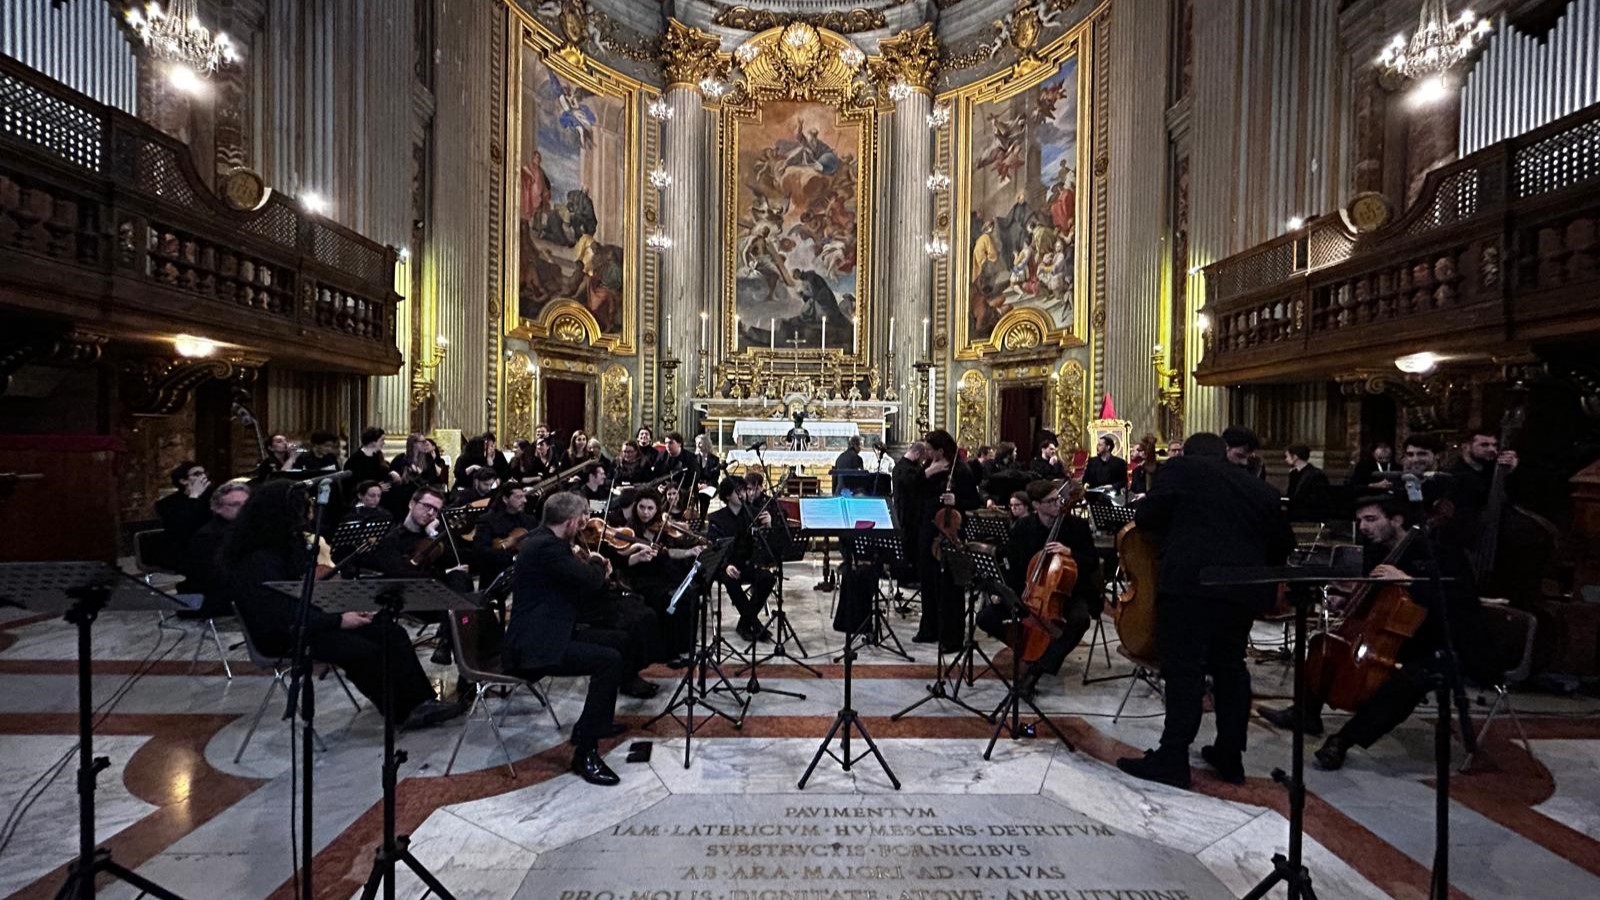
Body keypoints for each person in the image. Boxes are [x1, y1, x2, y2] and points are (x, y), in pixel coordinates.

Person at [1258, 493, 1493, 770]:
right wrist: (1346, 600)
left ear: (1396, 520)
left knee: (1409, 680)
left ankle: (1343, 740)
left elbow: (1462, 600)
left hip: (1444, 640)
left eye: (1371, 519)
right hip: (1399, 633)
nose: (1364, 527)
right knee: (1326, 643)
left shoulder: (1439, 552)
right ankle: (1306, 713)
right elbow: (1376, 596)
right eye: (1360, 521)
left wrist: (1409, 581)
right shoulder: (1380, 551)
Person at [1115, 432, 1295, 789]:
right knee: (1231, 668)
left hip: (1190, 586)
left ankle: (1173, 757)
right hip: (1240, 593)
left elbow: (1147, 518)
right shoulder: (1260, 489)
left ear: (1190, 453)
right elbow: (1283, 544)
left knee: (1184, 671)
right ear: (1225, 454)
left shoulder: (1180, 470)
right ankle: (1231, 756)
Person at [222, 480, 461, 729]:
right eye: (306, 507)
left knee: (392, 631)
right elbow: (278, 613)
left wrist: (345, 610)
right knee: (362, 650)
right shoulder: (256, 560)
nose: (310, 513)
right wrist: (339, 620)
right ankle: (400, 711)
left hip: (310, 620)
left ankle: (421, 702)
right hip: (284, 634)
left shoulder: (283, 546)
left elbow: (307, 593)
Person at [505, 491, 630, 785]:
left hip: (552, 628)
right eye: (582, 519)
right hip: (535, 646)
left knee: (619, 641)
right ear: (571, 521)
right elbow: (588, 582)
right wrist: (599, 564)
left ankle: (597, 721)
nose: (584, 525)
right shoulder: (548, 548)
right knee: (608, 662)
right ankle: (585, 751)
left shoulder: (543, 539)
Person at [976, 478, 1102, 694]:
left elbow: (1092, 562)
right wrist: (1004, 591)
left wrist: (1071, 553)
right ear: (1036, 505)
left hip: (1069, 591)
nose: (1057, 504)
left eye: (1058, 499)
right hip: (1030, 592)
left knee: (1079, 621)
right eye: (1051, 501)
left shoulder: (1076, 527)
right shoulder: (1023, 527)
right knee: (986, 618)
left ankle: (1038, 666)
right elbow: (1013, 565)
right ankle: (1027, 650)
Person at [914, 430, 982, 651]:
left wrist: (957, 500)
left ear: (941, 450)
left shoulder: (961, 470)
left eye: (930, 449)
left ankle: (951, 636)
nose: (927, 452)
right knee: (928, 581)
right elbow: (913, 491)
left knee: (950, 585)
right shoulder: (927, 468)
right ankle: (929, 628)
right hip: (928, 528)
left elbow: (974, 501)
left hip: (951, 531)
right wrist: (926, 474)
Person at [707, 476, 777, 642]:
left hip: (747, 563)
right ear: (726, 496)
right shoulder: (716, 518)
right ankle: (753, 623)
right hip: (725, 566)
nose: (742, 494)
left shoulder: (753, 513)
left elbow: (766, 542)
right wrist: (725, 566)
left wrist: (768, 525)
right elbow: (713, 547)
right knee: (731, 581)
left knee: (768, 578)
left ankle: (745, 622)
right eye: (737, 491)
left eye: (744, 490)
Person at [176, 481, 251, 619]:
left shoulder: (248, 530)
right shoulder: (207, 536)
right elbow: (213, 578)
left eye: (246, 504)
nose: (243, 509)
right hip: (213, 598)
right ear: (217, 508)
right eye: (235, 505)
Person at [472, 483, 538, 584]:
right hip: (495, 575)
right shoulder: (487, 521)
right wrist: (510, 555)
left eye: (524, 496)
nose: (525, 500)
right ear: (505, 499)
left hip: (524, 576)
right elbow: (481, 551)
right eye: (519, 497)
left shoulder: (529, 520)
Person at [155, 461, 212, 569]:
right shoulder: (167, 504)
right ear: (183, 480)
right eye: (197, 474)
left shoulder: (213, 497)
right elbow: (182, 528)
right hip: (183, 550)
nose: (203, 477)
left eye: (204, 473)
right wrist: (194, 496)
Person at [1284, 443, 1333, 522]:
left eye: (1287, 456)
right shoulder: (1294, 474)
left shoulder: (1316, 475)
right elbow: (1291, 494)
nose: (1286, 459)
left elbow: (1318, 500)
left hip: (1308, 516)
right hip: (1295, 512)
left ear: (1295, 457)